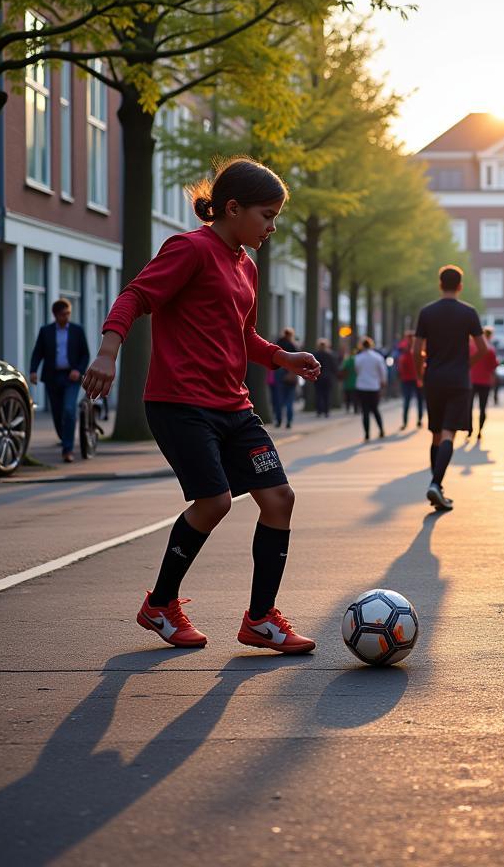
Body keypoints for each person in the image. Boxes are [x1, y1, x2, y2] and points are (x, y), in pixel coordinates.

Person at [81, 156, 319, 654]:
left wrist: (282, 358)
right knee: (213, 502)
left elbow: (243, 335)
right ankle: (160, 605)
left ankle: (259, 620)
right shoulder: (188, 249)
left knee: (280, 499)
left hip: (234, 405)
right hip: (180, 403)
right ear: (232, 209)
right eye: (267, 215)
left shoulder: (246, 267)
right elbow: (135, 296)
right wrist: (108, 352)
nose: (272, 226)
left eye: (276, 217)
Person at [414, 265, 488, 511]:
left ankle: (437, 485)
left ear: (439, 284)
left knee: (435, 433)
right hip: (458, 380)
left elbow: (416, 350)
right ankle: (436, 483)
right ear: (460, 286)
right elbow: (483, 348)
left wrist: (420, 374)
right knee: (448, 434)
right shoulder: (469, 312)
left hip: (434, 377)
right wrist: (466, 365)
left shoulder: (426, 312)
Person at [29, 298, 90, 463]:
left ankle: (67, 449)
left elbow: (85, 354)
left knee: (69, 410)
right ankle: (66, 438)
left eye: (69, 313)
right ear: (55, 315)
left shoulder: (77, 331)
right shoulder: (46, 331)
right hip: (52, 377)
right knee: (57, 413)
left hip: (71, 377)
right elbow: (37, 352)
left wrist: (78, 370)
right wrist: (33, 371)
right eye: (64, 314)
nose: (67, 317)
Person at [354, 336, 387, 441]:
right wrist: (382, 381)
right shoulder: (377, 357)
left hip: (362, 386)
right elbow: (382, 371)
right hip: (374, 386)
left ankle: (367, 434)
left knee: (365, 411)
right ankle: (381, 429)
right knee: (375, 409)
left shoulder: (358, 358)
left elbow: (357, 370)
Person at [469, 325, 499, 440]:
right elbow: (493, 367)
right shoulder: (490, 349)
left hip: (471, 380)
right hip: (485, 382)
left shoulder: (470, 347)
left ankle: (469, 429)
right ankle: (479, 431)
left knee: (469, 407)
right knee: (482, 408)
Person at [272, 326, 299, 428]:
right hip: (291, 372)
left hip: (279, 371)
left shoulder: (278, 343)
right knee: (289, 399)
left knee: (279, 398)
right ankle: (289, 421)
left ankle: (278, 421)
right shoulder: (293, 345)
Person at [396, 330, 424, 430]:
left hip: (411, 378)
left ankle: (411, 421)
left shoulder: (413, 347)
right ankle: (413, 421)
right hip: (411, 378)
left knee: (411, 400)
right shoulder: (415, 346)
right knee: (414, 400)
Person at [312, 338, 337, 418]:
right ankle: (327, 411)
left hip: (318, 377)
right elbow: (334, 367)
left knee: (318, 394)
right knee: (327, 395)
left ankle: (319, 411)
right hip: (328, 378)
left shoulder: (316, 354)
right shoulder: (330, 355)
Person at [341, 347, 358, 414]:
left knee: (348, 396)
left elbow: (343, 369)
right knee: (355, 397)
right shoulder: (357, 360)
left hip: (347, 381)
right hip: (356, 381)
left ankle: (347, 408)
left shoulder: (347, 360)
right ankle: (356, 409)